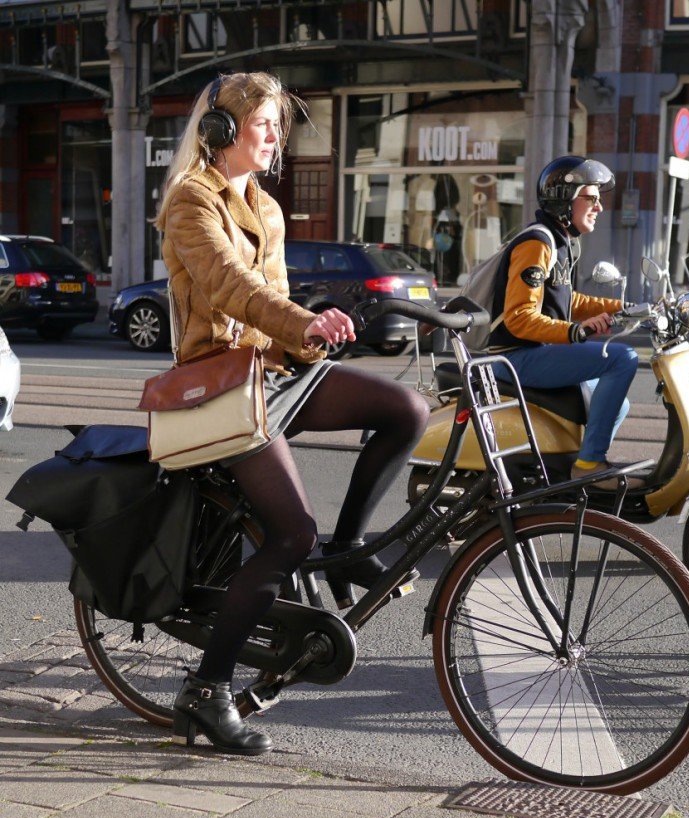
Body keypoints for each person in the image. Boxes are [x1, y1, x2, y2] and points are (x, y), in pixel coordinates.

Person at [155, 72, 429, 754]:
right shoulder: (193, 200)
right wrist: (303, 321)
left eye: (280, 123)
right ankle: (207, 691)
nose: (276, 135)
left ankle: (345, 551)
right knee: (288, 534)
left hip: (275, 376)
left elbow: (270, 298)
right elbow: (232, 286)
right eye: (264, 122)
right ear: (222, 131)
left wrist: (318, 329)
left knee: (405, 408)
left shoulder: (267, 208)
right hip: (219, 387)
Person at [487, 155, 640, 489]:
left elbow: (565, 301)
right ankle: (588, 466)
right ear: (565, 199)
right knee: (622, 358)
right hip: (511, 356)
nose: (599, 207)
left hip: (533, 352)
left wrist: (626, 308)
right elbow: (519, 318)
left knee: (620, 402)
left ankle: (565, 468)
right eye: (592, 198)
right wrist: (576, 331)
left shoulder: (562, 242)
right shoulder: (536, 243)